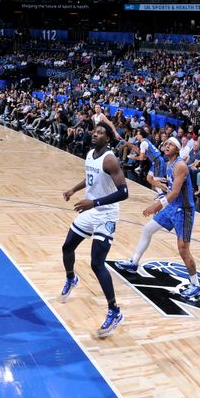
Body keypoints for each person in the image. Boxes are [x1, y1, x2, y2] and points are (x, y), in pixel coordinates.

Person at [60, 123, 129, 337]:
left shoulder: (110, 158)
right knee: (67, 247)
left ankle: (114, 311)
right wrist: (74, 188)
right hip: (91, 211)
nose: (95, 134)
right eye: (95, 131)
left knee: (97, 263)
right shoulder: (91, 153)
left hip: (106, 215)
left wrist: (95, 202)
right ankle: (71, 278)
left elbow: (124, 192)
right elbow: (91, 176)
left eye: (100, 133)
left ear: (107, 139)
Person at [117, 137, 200, 299]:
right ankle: (134, 263)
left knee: (183, 249)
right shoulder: (167, 163)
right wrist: (160, 186)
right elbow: (164, 185)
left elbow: (176, 192)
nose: (167, 146)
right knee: (148, 229)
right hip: (171, 207)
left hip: (183, 210)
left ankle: (195, 284)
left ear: (177, 149)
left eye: (171, 144)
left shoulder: (180, 165)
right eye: (166, 144)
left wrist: (156, 206)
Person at [129, 127, 166, 195]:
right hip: (156, 162)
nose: (136, 136)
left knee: (156, 182)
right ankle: (161, 193)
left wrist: (134, 157)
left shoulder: (143, 143)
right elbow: (144, 158)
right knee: (149, 178)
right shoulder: (146, 141)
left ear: (141, 135)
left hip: (158, 161)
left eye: (137, 134)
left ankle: (166, 194)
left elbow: (141, 158)